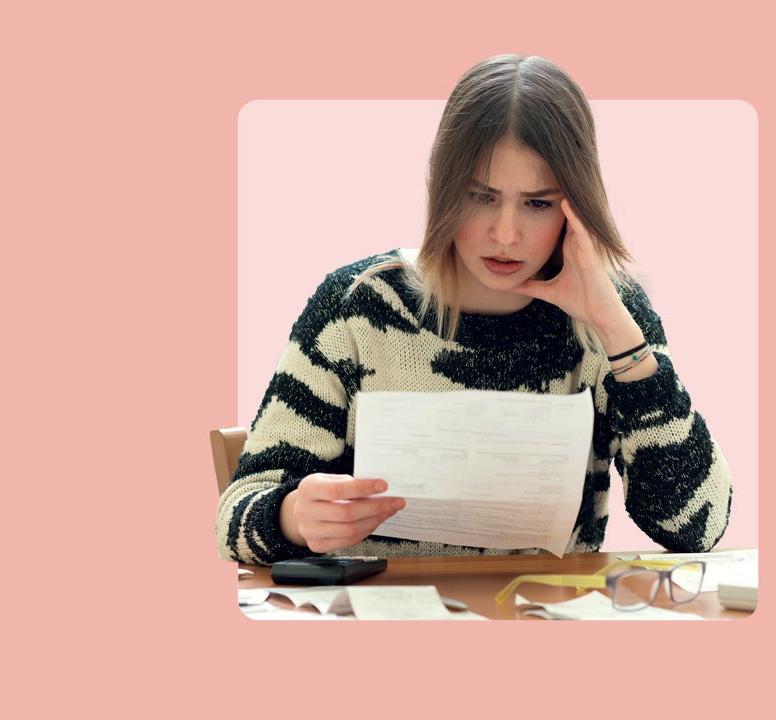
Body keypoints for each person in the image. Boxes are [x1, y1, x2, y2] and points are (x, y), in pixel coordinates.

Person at [217, 54, 732, 565]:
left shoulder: (610, 316)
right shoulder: (356, 307)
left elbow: (698, 527)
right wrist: (289, 516)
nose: (505, 234)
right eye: (480, 196)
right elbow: (234, 518)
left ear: (576, 205)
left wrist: (618, 331)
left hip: (543, 624)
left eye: (538, 203)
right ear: (443, 191)